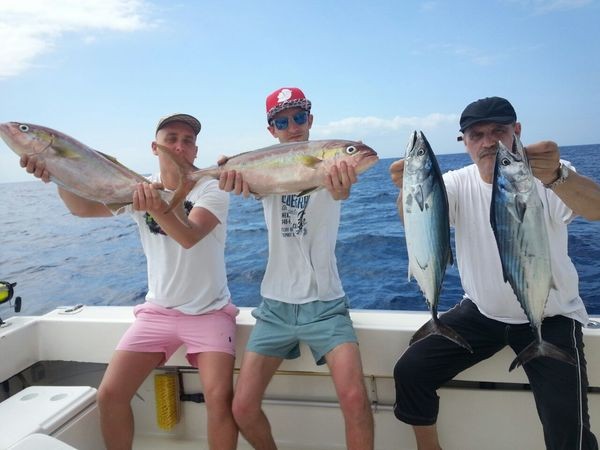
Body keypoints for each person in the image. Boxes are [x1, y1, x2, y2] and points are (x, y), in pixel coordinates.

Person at [390, 96, 600, 450]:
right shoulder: (454, 183)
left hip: (551, 316)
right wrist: (409, 189)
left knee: (568, 430)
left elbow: (596, 209)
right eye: (477, 135)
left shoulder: (549, 174)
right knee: (410, 370)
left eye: (498, 131)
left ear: (517, 131)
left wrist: (558, 177)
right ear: (465, 142)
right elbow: (416, 220)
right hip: (481, 313)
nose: (488, 142)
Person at [20, 114, 238, 450]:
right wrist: (58, 175)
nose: (179, 146)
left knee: (220, 399)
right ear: (155, 147)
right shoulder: (138, 186)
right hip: (158, 312)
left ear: (196, 151)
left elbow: (190, 236)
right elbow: (83, 209)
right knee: (109, 394)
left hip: (209, 312)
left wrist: (159, 205)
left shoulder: (211, 188)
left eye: (188, 141)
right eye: (171, 139)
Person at [219, 87, 375, 450]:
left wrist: (344, 180)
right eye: (282, 122)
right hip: (275, 307)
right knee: (241, 407)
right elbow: (249, 182)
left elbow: (340, 192)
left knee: (355, 399)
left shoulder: (331, 167)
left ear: (311, 120)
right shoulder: (264, 169)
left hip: (326, 305)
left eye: (299, 117)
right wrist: (228, 169)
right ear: (271, 129)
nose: (293, 127)